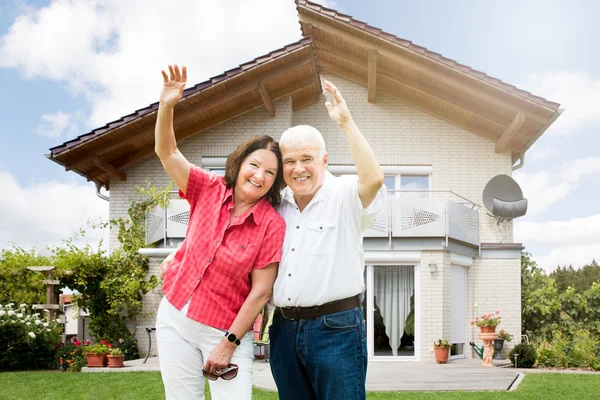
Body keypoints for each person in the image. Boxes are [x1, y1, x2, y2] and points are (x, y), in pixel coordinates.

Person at [154, 64, 286, 400]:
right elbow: (167, 152)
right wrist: (167, 105)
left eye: (270, 172)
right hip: (176, 318)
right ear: (240, 163)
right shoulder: (209, 188)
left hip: (224, 330)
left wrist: (228, 344)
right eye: (254, 165)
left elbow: (260, 292)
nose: (259, 176)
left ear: (275, 181)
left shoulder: (272, 223)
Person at [269, 80, 386, 400]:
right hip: (283, 330)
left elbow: (374, 179)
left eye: (306, 158)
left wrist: (346, 122)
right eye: (289, 161)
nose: (298, 168)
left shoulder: (346, 194)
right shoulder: (277, 206)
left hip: (336, 329)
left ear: (324, 160)